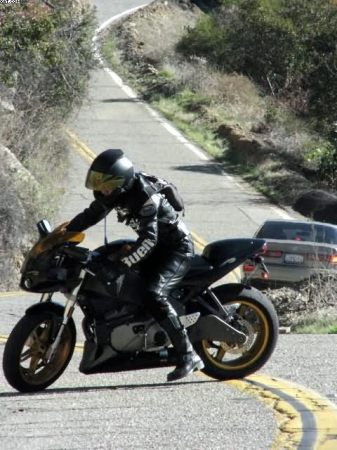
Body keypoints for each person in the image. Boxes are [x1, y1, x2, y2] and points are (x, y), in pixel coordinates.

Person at [63, 148, 204, 382]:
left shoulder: (146, 197)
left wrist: (123, 265)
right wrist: (64, 234)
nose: (102, 190)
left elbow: (149, 239)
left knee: (153, 294)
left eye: (107, 185)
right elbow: (91, 214)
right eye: (99, 184)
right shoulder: (113, 193)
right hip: (154, 247)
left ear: (122, 182)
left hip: (175, 250)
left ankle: (188, 355)